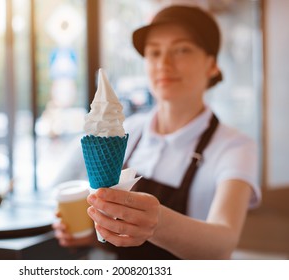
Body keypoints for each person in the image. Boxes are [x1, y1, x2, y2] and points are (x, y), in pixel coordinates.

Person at [52, 5, 261, 260]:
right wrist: (90, 229)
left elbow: (223, 243)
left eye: (182, 49)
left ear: (212, 65)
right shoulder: (128, 132)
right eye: (154, 52)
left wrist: (158, 223)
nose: (164, 63)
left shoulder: (235, 146)